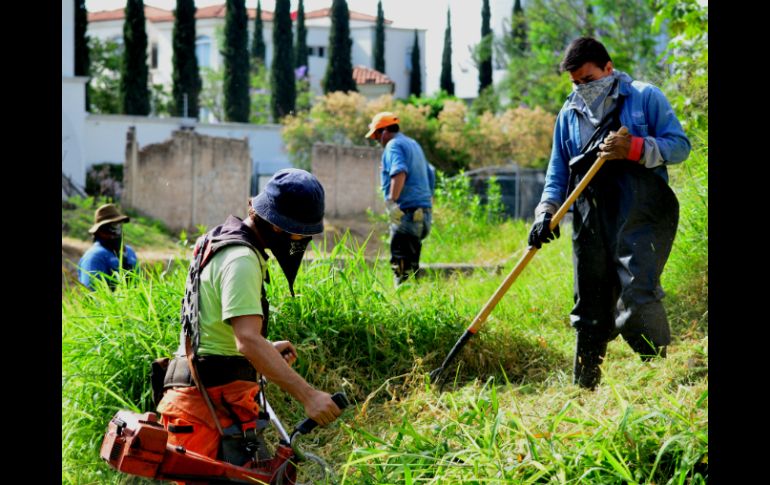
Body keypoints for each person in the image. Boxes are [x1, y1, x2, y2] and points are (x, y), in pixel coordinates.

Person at [527, 37, 691, 390]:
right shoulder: (568, 114)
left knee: (637, 294)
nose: (583, 89)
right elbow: (558, 173)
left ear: (608, 69)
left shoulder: (644, 97)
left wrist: (634, 148)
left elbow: (680, 146)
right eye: (576, 83)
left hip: (641, 211)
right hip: (590, 215)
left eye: (588, 80)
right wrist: (546, 211)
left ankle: (664, 381)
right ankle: (584, 390)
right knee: (588, 307)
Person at [156, 168, 342, 462]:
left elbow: (217, 329)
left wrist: (264, 349)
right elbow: (247, 341)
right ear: (279, 227)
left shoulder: (218, 239)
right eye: (300, 233)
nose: (300, 241)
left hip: (203, 399)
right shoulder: (242, 259)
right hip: (209, 408)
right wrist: (309, 396)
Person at [365, 112, 436, 285]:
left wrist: (391, 202)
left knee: (401, 265)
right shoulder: (413, 144)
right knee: (411, 265)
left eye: (376, 136)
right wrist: (426, 202)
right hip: (423, 215)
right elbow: (431, 172)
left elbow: (400, 172)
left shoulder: (394, 145)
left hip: (407, 214)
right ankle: (414, 300)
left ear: (385, 131)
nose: (378, 141)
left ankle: (402, 302)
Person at [78, 203, 138, 290]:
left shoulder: (129, 252)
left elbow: (139, 284)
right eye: (114, 226)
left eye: (119, 225)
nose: (118, 231)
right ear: (101, 231)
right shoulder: (94, 257)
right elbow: (93, 295)